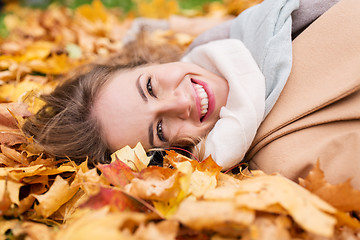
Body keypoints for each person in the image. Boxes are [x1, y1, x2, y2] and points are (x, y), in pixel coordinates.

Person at [24, 0, 360, 188]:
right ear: (172, 160)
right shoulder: (291, 161)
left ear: (153, 62)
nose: (181, 102)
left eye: (151, 87)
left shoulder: (254, 27)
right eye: (159, 130)